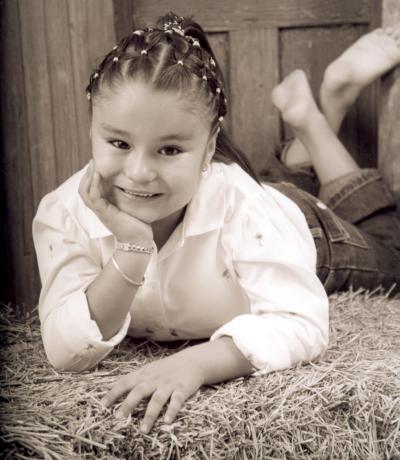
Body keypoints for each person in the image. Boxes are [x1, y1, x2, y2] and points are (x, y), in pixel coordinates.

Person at [32, 13, 400, 434]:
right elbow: (65, 350)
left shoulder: (247, 207)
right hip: (238, 200)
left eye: (169, 150)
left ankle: (320, 117)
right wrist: (131, 251)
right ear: (93, 129)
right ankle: (301, 140)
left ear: (209, 149)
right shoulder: (64, 211)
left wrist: (195, 363)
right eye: (118, 143)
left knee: (392, 252)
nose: (138, 172)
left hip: (306, 232)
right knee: (254, 186)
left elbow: (301, 321)